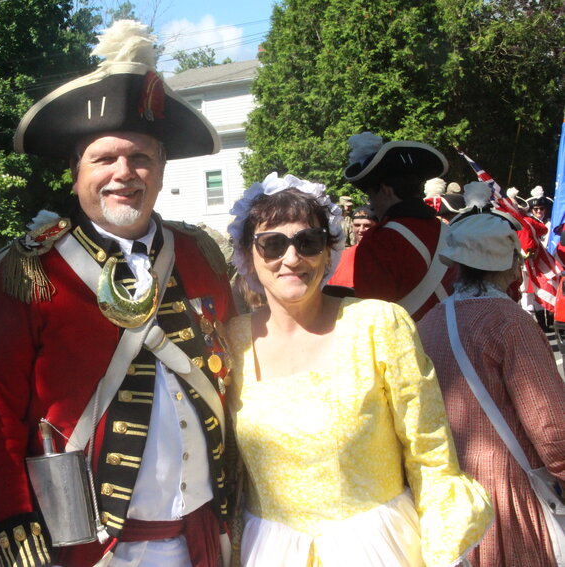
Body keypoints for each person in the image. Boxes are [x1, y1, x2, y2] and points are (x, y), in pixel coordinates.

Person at [0, 20, 235, 567]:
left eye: (141, 157)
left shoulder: (199, 255)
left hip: (203, 533)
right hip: (92, 546)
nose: (125, 173)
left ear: (162, 171)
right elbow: (2, 405)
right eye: (105, 159)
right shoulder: (31, 271)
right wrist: (12, 513)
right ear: (75, 175)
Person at [225, 172, 492, 567]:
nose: (292, 258)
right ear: (249, 254)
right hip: (268, 553)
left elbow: (430, 453)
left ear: (329, 250)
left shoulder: (378, 324)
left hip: (375, 548)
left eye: (308, 242)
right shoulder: (231, 341)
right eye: (273, 244)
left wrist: (442, 550)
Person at [418, 213, 565, 567]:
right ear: (508, 265)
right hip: (508, 491)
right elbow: (551, 426)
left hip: (453, 493)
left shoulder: (429, 321)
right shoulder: (510, 322)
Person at [339, 132, 455, 320]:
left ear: (386, 190)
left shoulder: (380, 241)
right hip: (451, 340)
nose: (371, 204)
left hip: (406, 345)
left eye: (371, 196)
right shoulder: (449, 233)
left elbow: (372, 313)